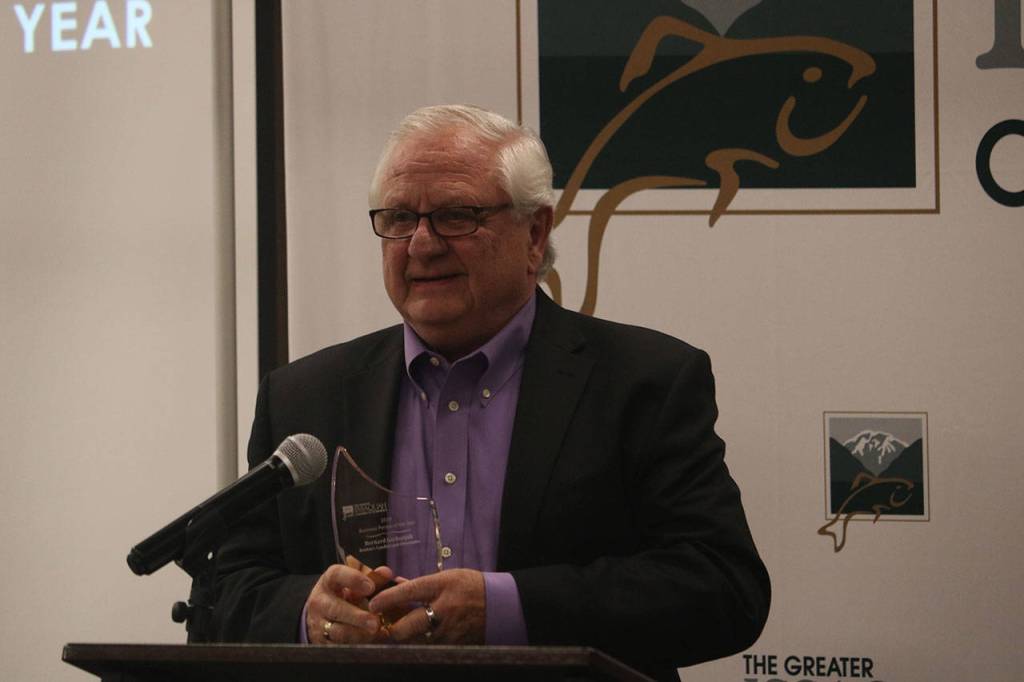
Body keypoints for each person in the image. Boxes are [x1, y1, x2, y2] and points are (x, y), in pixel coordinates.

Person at [209, 104, 770, 681]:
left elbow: (722, 588)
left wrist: (507, 608)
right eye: (399, 217)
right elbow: (225, 594)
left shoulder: (643, 381)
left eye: (456, 216)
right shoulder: (306, 396)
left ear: (534, 234)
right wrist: (308, 614)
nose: (421, 244)